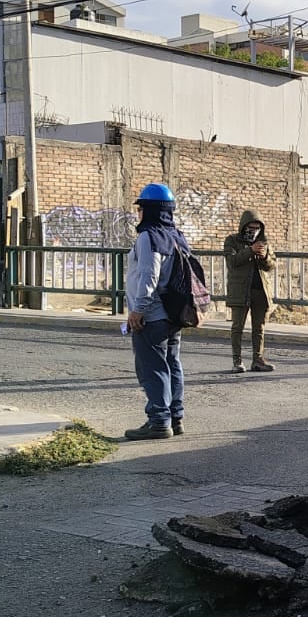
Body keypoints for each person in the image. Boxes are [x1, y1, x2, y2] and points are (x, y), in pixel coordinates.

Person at [123, 183, 187, 440]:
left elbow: (149, 274)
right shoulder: (176, 235)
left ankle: (159, 421)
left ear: (149, 210)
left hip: (152, 315)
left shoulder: (149, 236)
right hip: (173, 314)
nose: (138, 214)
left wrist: (138, 310)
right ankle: (175, 417)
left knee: (153, 368)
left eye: (141, 209)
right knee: (172, 364)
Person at [224, 209, 276, 374]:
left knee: (259, 327)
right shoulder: (232, 240)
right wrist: (250, 250)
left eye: (257, 228)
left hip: (260, 291)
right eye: (250, 227)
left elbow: (271, 265)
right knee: (237, 326)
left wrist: (264, 256)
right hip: (240, 290)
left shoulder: (264, 242)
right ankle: (237, 360)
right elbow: (232, 261)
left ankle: (258, 359)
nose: (254, 231)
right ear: (243, 226)